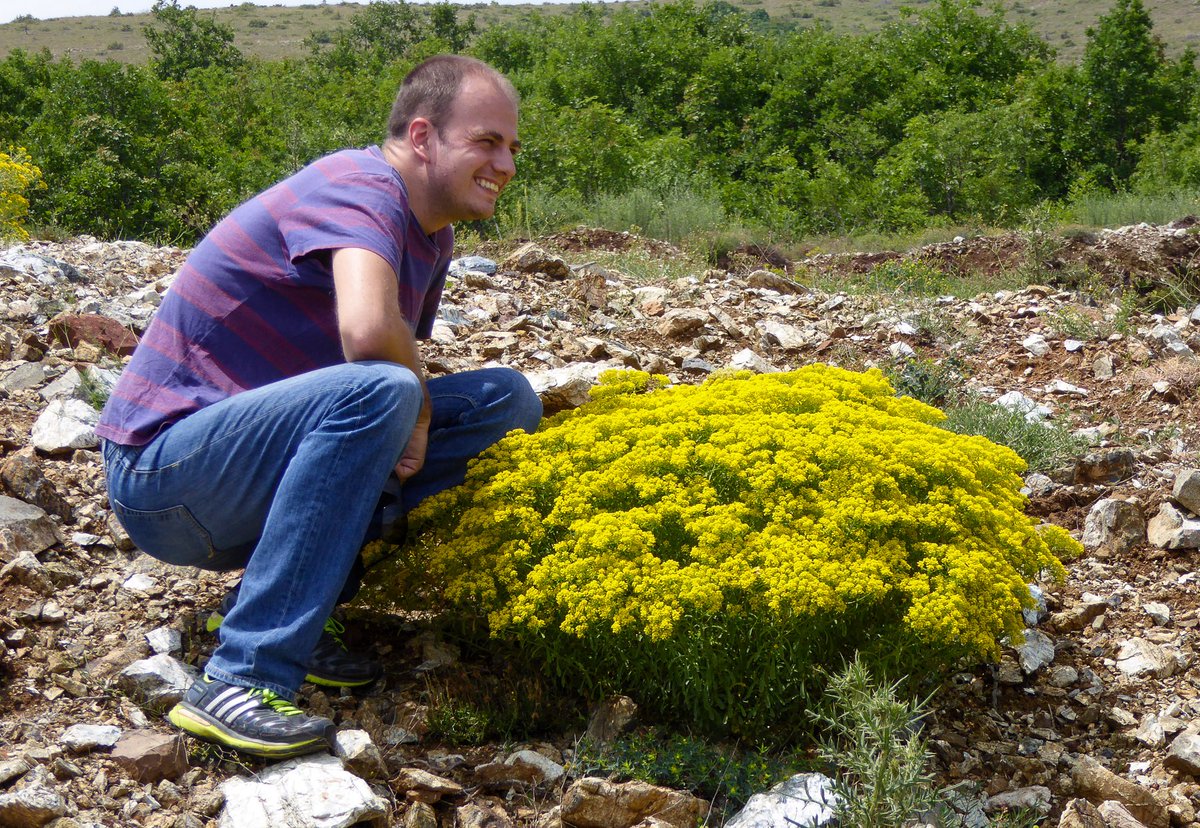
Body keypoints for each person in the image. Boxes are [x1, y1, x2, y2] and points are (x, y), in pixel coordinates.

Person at [97, 55, 542, 760]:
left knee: (503, 401)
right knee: (387, 391)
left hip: (240, 476)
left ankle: (305, 600)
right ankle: (241, 676)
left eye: (513, 148)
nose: (506, 164)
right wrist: (418, 410)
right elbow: (369, 335)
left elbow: (369, 378)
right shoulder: (359, 184)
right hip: (164, 480)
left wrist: (415, 409)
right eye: (487, 141)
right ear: (422, 136)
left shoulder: (432, 234)